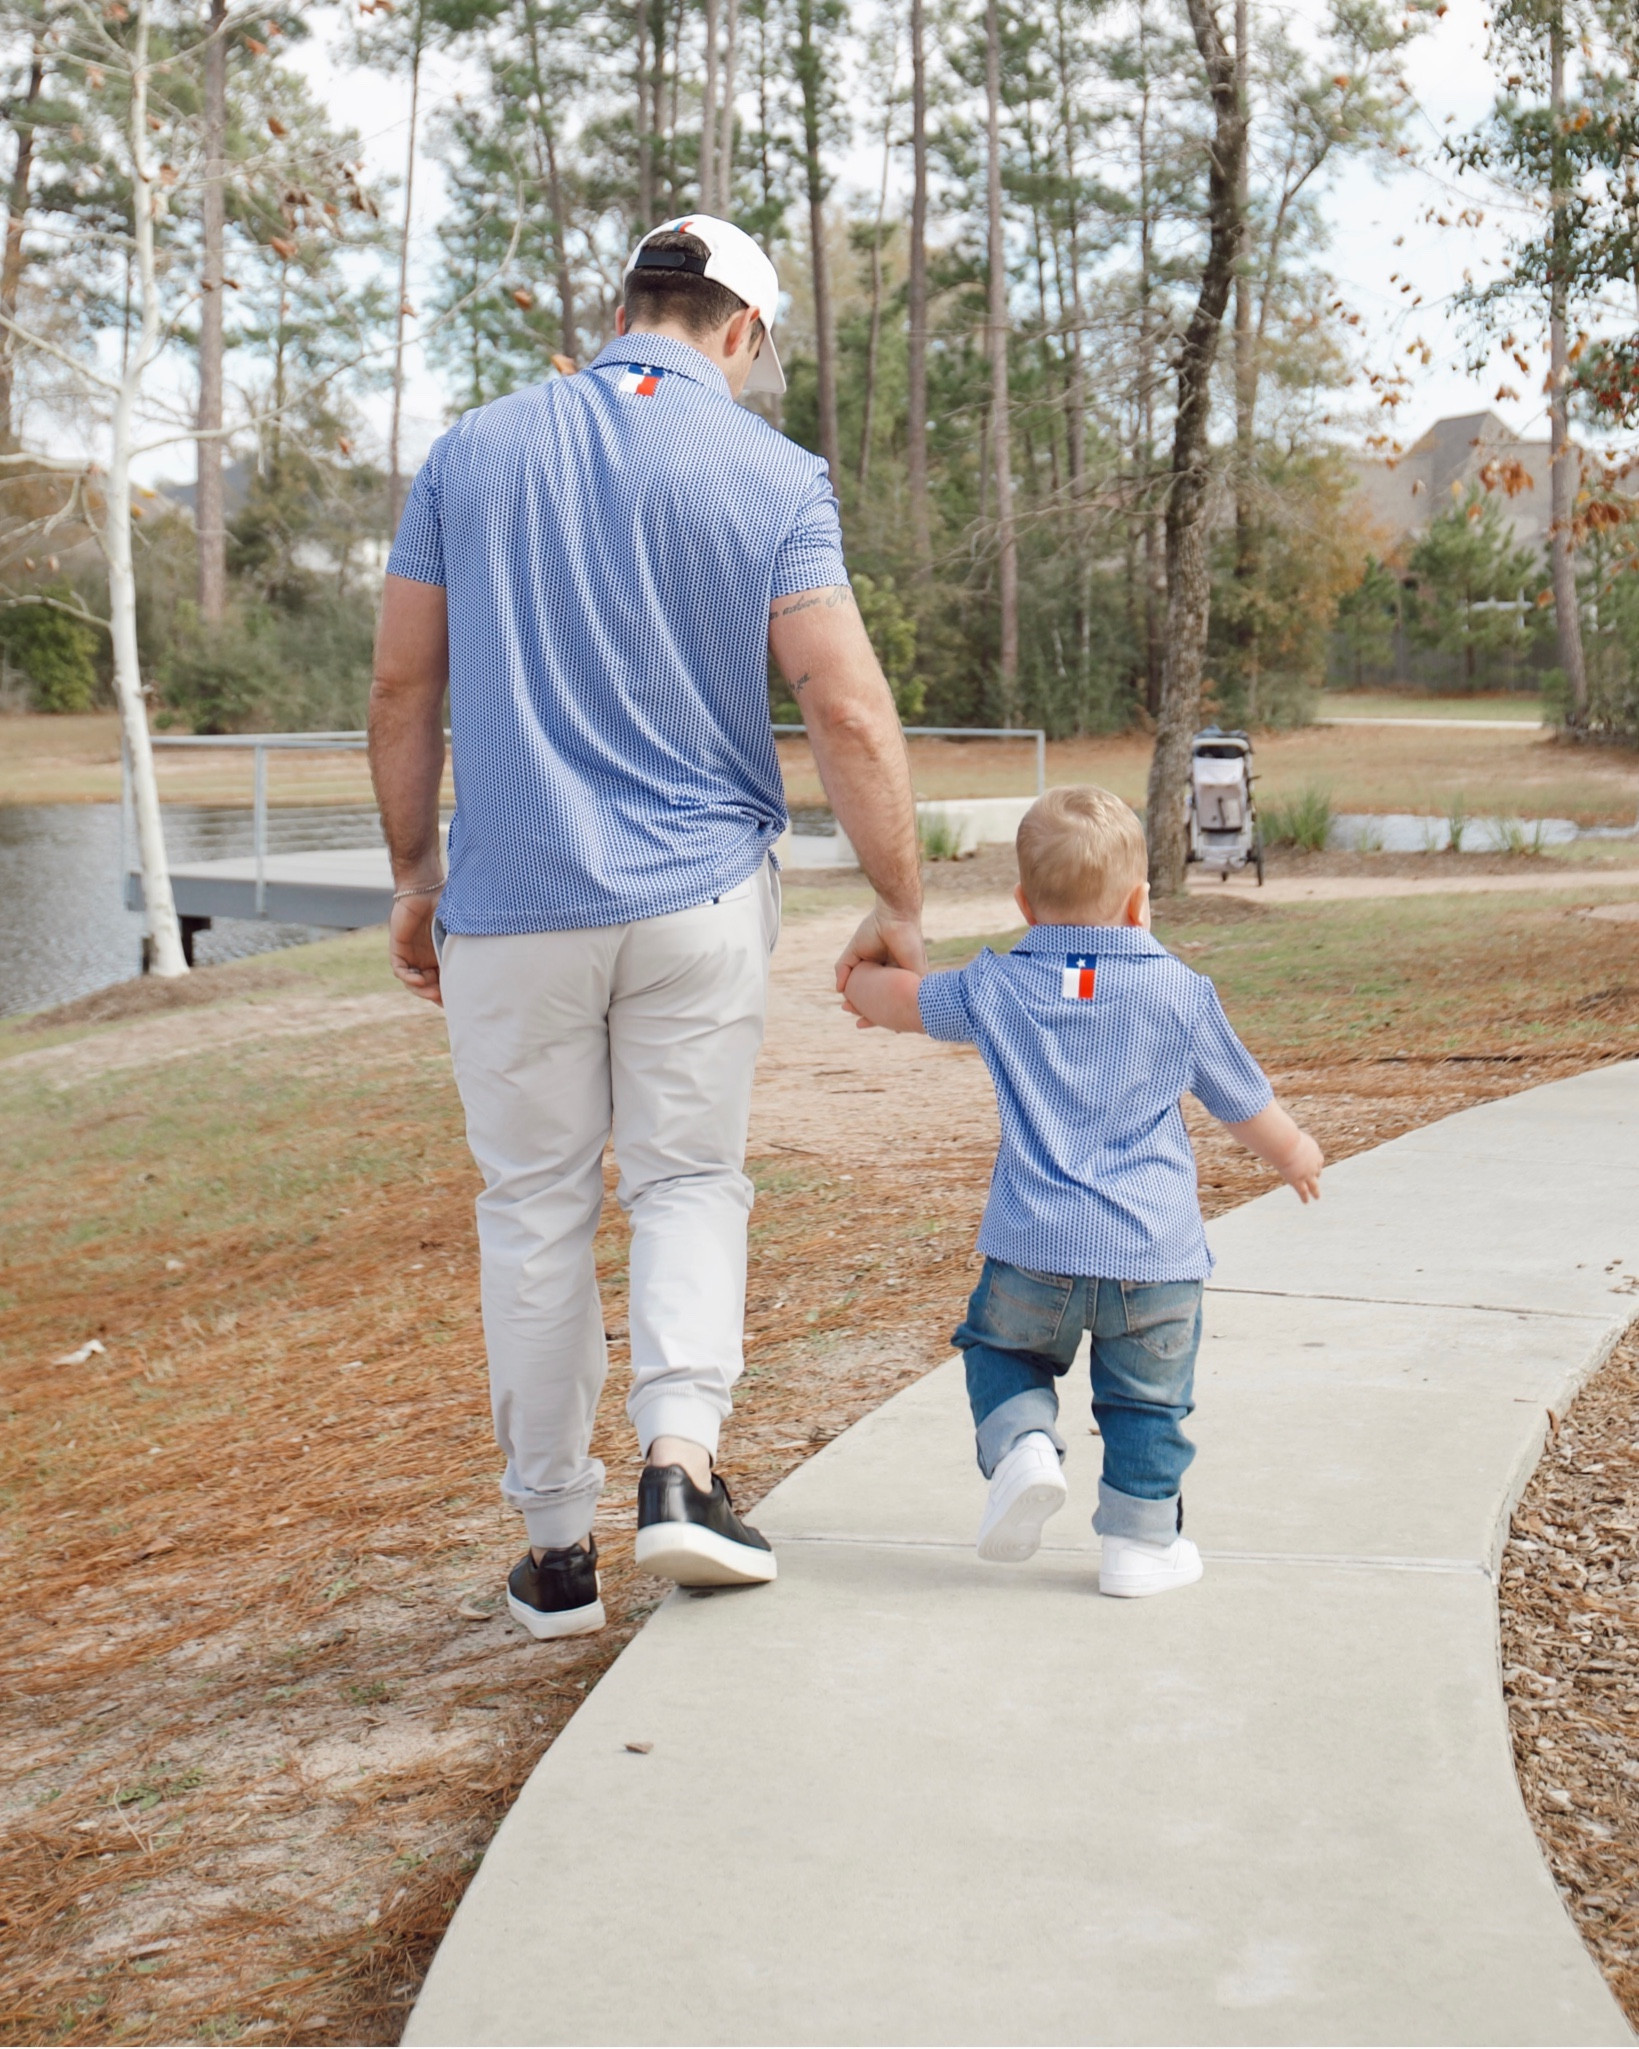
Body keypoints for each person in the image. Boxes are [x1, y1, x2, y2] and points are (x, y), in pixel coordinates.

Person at [368, 215, 924, 1639]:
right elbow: (845, 706)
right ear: (741, 329)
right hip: (693, 897)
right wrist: (898, 899)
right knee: (684, 1182)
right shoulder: (770, 472)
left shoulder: (469, 452)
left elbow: (400, 695)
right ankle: (679, 1473)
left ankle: (555, 1553)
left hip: (508, 905)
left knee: (534, 1209)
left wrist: (412, 874)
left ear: (627, 305)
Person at [839, 785, 1323, 1599]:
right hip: (1154, 1258)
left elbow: (901, 1004)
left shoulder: (997, 986)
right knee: (1146, 1402)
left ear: (1024, 902)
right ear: (1140, 902)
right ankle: (1138, 1546)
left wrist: (856, 979)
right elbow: (1244, 1102)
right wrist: (1295, 1152)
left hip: (1032, 1247)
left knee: (1002, 1352)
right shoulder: (1179, 992)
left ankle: (1025, 1443)